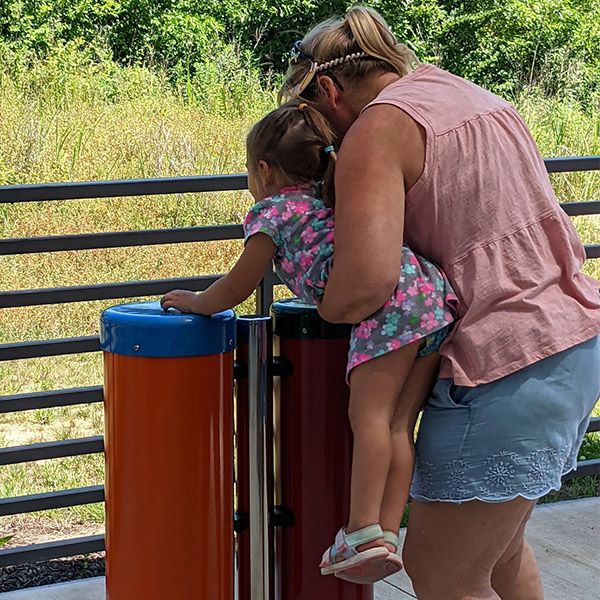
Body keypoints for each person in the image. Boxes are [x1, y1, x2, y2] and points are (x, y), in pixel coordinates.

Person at [278, 5, 600, 599]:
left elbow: (362, 287)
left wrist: (313, 285)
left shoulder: (377, 129)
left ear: (328, 90)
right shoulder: (466, 93)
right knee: (498, 555)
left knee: (442, 573)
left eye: (323, 128)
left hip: (502, 363)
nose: (328, 147)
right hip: (569, 342)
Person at [161, 101, 458, 583]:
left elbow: (237, 286)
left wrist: (197, 301)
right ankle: (385, 530)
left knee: (369, 418)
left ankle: (360, 531)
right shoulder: (328, 203)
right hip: (430, 293)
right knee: (399, 424)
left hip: (393, 306)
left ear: (263, 169)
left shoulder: (274, 212)